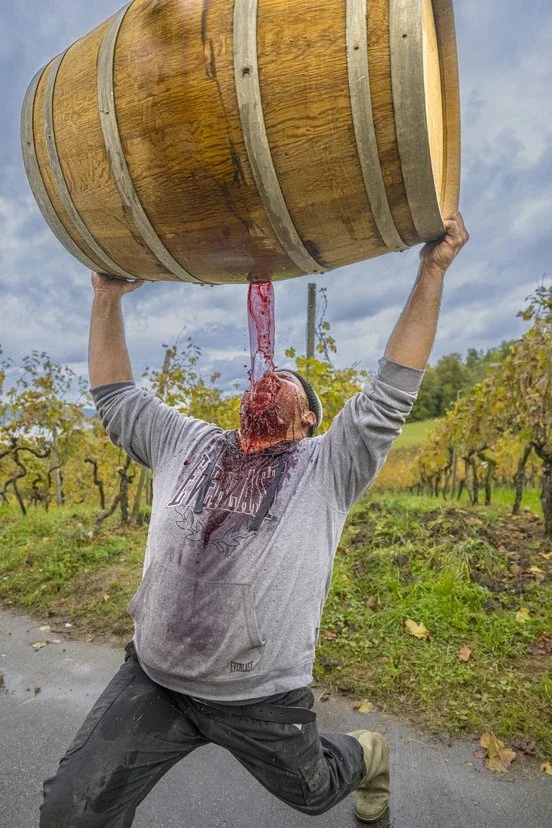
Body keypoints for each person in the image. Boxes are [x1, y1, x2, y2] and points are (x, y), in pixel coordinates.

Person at [40, 212, 469, 826]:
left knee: (314, 792)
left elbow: (391, 390)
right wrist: (107, 298)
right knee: (68, 813)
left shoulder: (328, 466)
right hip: (155, 679)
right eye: (273, 374)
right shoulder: (184, 440)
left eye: (296, 385)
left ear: (306, 424)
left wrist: (431, 271)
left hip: (259, 699)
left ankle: (368, 753)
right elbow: (116, 398)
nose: (278, 377)